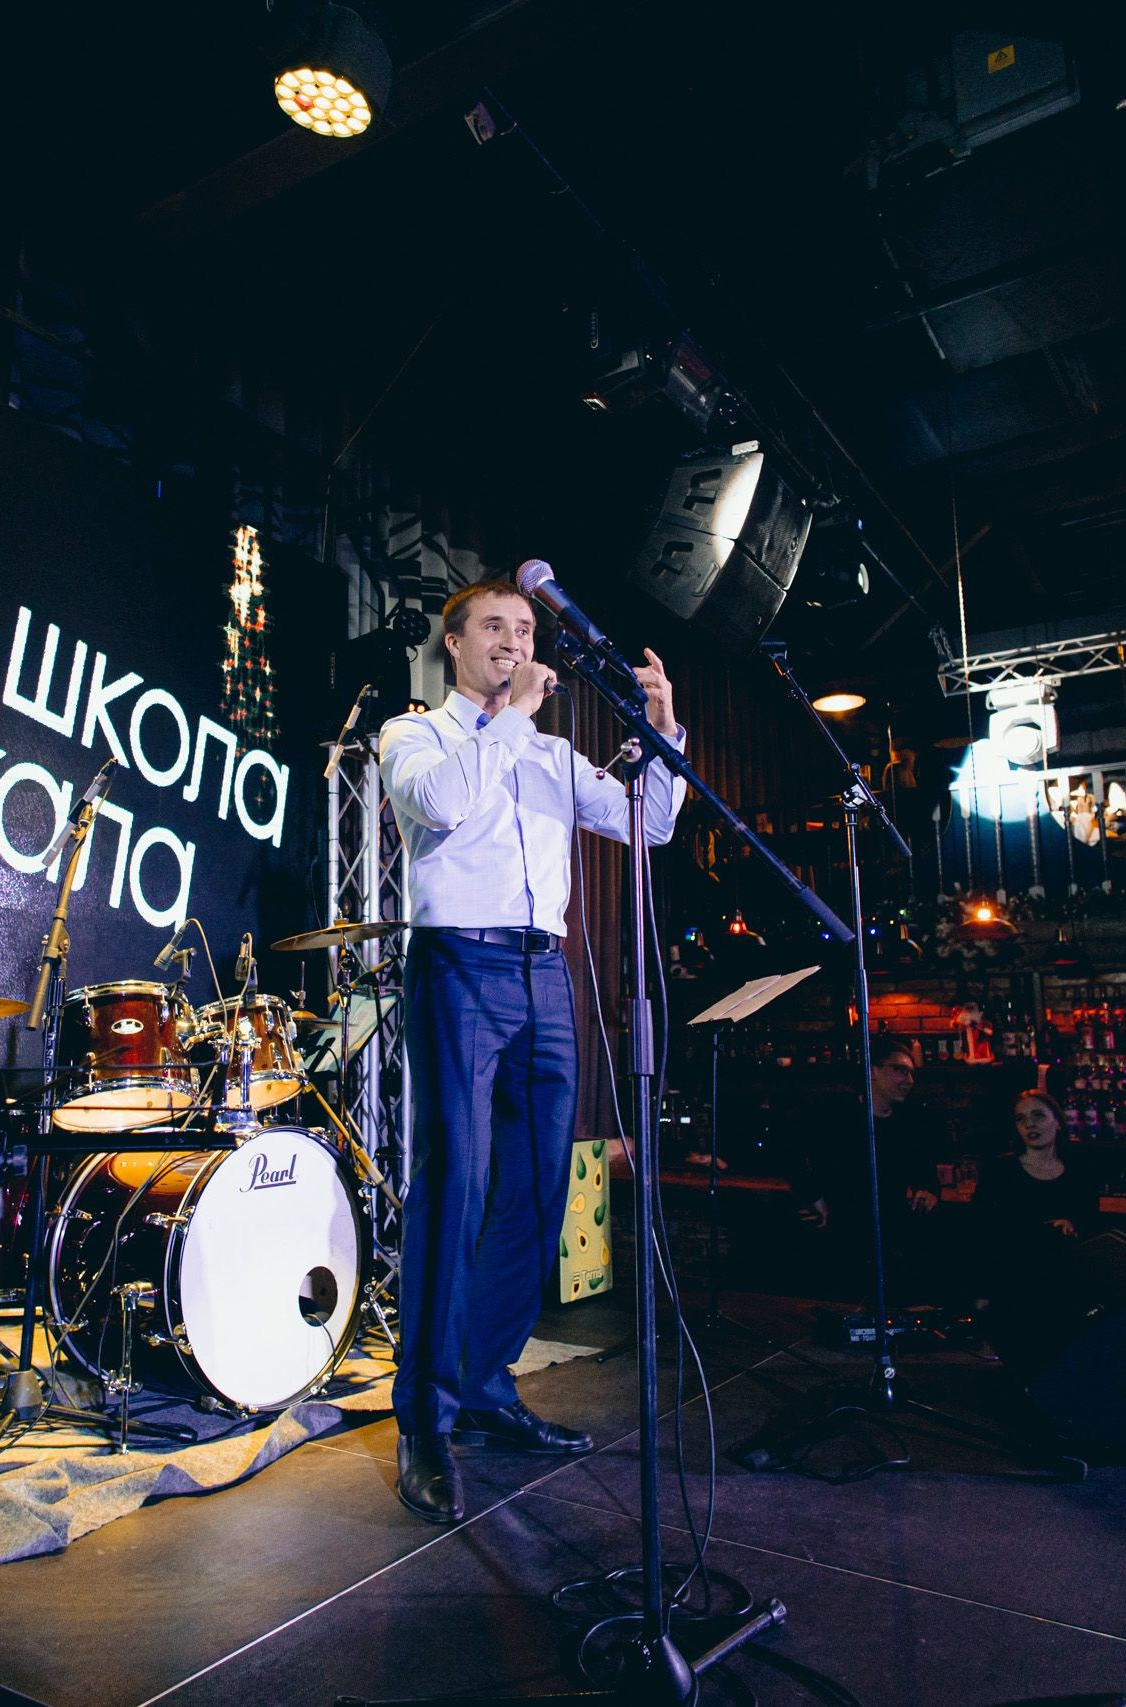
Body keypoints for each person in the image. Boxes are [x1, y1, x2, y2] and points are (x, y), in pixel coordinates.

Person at [376, 576, 685, 1525]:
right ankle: (423, 1418)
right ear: (456, 644)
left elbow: (656, 821)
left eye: (525, 629)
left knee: (541, 1186)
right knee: (457, 1182)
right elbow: (444, 808)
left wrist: (665, 729)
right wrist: (508, 720)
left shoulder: (552, 751)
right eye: (497, 629)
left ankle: (483, 1385)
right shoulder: (415, 733)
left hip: (543, 969)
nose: (515, 641)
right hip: (459, 964)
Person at [790, 1034, 949, 1304]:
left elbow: (925, 1171)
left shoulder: (910, 1122)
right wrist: (812, 1196)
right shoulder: (836, 1115)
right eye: (900, 1070)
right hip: (840, 1233)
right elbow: (789, 1152)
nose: (909, 1081)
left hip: (892, 1234)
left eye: (911, 1073)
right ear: (873, 1071)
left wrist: (928, 1190)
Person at [970, 1088, 1100, 1365]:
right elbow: (981, 1235)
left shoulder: (1080, 1171)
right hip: (1014, 1289)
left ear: (1058, 1121)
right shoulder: (1000, 1172)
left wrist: (1073, 1226)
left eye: (1039, 1115)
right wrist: (983, 1292)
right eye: (1021, 1119)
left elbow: (1093, 1229)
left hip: (1065, 1292)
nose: (1030, 1124)